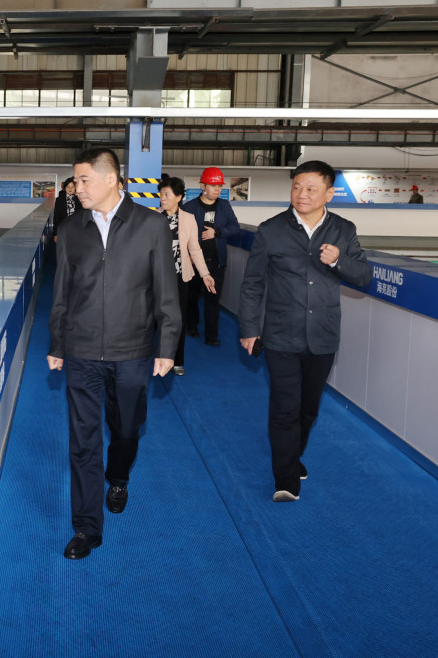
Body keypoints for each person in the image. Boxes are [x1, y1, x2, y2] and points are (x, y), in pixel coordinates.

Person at [48, 148, 181, 560]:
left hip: (133, 349)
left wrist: (167, 346)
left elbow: (166, 290)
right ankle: (86, 528)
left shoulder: (151, 225)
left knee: (126, 429)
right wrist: (57, 343)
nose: (77, 188)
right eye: (76, 180)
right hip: (82, 349)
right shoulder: (71, 228)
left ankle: (118, 476)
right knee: (83, 440)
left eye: (84, 180)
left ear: (111, 179)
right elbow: (61, 291)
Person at [239, 160, 372, 503]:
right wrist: (250, 328)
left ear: (329, 193)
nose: (302, 194)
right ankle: (285, 480)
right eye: (297, 187)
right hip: (280, 335)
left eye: (311, 188)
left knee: (308, 408)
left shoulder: (343, 230)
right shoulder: (271, 230)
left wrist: (338, 261)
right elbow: (253, 283)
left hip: (323, 335)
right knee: (285, 407)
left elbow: (364, 276)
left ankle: (293, 453)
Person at [156, 174, 216, 376]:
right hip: (157, 279)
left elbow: (195, 249)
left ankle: (177, 361)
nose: (163, 198)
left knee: (177, 320)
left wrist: (205, 274)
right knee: (153, 320)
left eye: (167, 194)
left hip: (180, 278)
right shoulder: (153, 218)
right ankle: (154, 357)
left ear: (179, 197)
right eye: (161, 194)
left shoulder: (189, 219)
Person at [182, 166, 240, 346]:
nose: (217, 190)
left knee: (213, 300)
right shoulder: (189, 208)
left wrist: (217, 232)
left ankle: (211, 336)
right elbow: (181, 234)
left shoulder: (224, 206)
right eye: (213, 186)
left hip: (216, 262)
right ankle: (191, 326)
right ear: (202, 186)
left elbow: (235, 227)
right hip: (194, 262)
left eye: (219, 186)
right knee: (192, 297)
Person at [52, 177, 78, 241]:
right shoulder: (59, 200)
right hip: (63, 230)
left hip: (77, 230)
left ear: (75, 188)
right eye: (68, 187)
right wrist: (56, 233)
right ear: (65, 188)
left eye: (72, 187)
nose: (70, 189)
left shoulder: (79, 200)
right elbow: (56, 217)